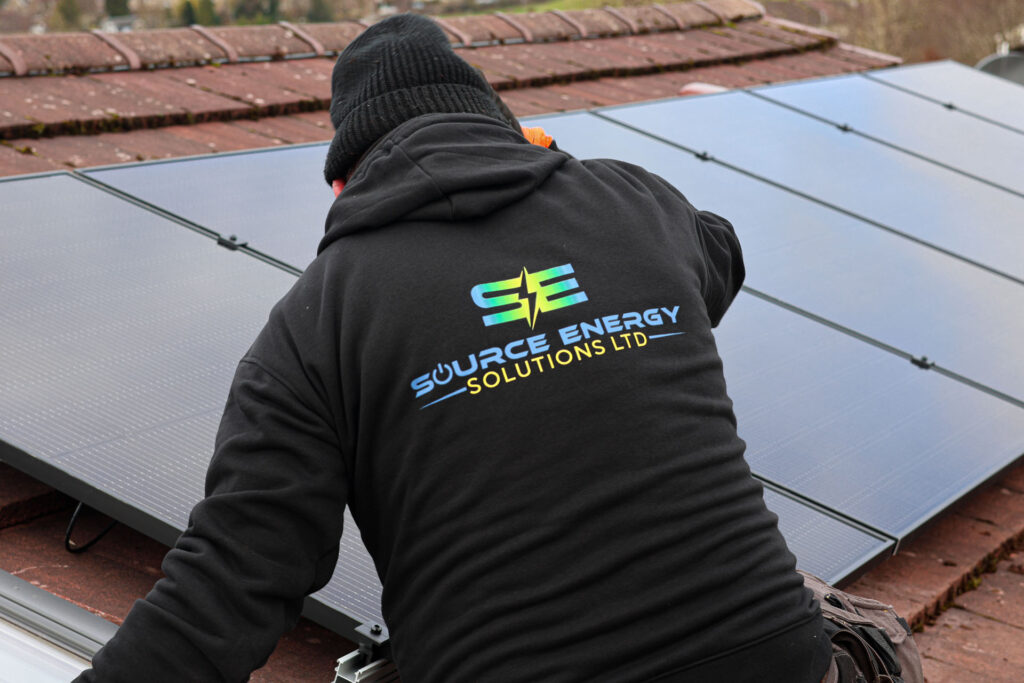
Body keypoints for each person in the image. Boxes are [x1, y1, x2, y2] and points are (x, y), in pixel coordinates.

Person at [74, 14, 914, 683]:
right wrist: (567, 192)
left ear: (341, 182)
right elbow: (718, 254)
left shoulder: (315, 323)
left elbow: (230, 582)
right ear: (508, 127)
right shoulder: (633, 204)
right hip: (779, 662)